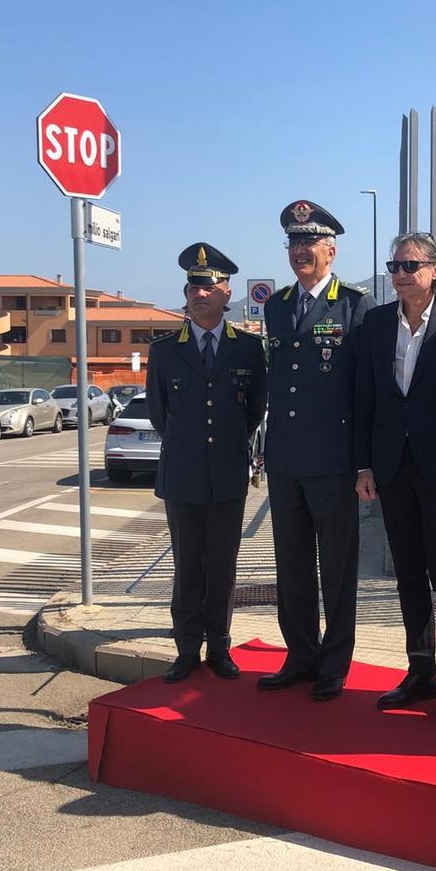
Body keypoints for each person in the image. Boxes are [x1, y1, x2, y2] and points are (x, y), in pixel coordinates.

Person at [354, 232, 436, 725]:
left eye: (411, 265)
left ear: (435, 270)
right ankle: (420, 671)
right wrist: (364, 465)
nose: (401, 274)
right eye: (395, 266)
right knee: (407, 573)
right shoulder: (376, 322)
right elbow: (366, 398)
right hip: (391, 467)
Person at [257, 200, 373, 701]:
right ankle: (300, 656)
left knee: (338, 568)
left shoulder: (355, 305)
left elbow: (365, 389)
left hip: (334, 462)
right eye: (293, 242)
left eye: (309, 242)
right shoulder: (277, 306)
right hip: (286, 459)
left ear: (331, 250)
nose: (300, 251)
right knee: (292, 566)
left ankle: (334, 662)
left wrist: (363, 461)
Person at [145, 242, 267, 684]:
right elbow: (159, 415)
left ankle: (219, 646)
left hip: (228, 475)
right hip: (182, 475)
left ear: (226, 293)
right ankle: (186, 649)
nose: (201, 294)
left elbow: (255, 410)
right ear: (186, 294)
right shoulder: (164, 351)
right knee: (187, 566)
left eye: (210, 286)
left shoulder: (249, 349)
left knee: (223, 566)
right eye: (194, 287)